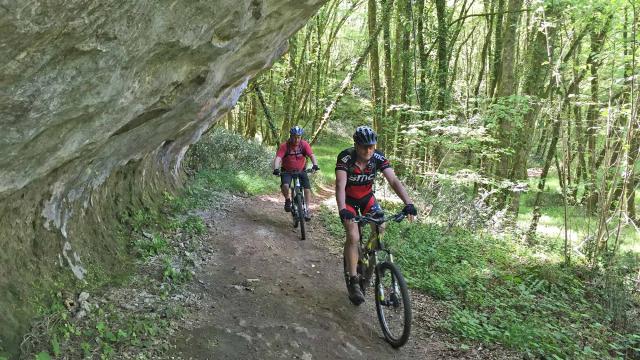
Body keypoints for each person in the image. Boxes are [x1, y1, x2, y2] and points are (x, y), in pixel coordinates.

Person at [335, 126, 417, 305]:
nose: (368, 150)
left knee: (381, 226)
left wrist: (408, 203)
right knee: (353, 235)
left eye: (371, 146)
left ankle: (366, 258)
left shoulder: (378, 157)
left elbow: (394, 180)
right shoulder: (346, 158)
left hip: (367, 199)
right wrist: (342, 209)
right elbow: (340, 185)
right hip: (348, 201)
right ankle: (354, 279)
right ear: (356, 145)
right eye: (364, 147)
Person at [273, 126, 319, 220]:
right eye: (294, 137)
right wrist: (276, 169)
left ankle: (306, 209)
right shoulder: (284, 146)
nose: (296, 139)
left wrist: (315, 165)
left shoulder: (304, 145)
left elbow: (311, 155)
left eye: (299, 137)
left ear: (301, 137)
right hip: (287, 171)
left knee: (307, 189)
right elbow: (278, 158)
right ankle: (287, 200)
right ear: (291, 136)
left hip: (301, 170)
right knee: (285, 186)